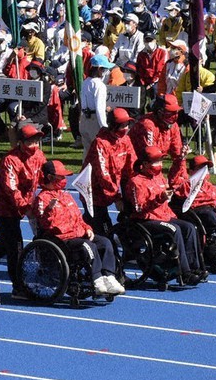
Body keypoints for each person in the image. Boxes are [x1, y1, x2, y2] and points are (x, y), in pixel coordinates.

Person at [34, 160, 125, 295]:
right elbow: (46, 225)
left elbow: (78, 218)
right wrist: (49, 210)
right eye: (61, 176)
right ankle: (97, 279)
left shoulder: (66, 196)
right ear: (50, 177)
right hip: (62, 239)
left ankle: (109, 277)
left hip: (78, 234)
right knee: (89, 246)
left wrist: (87, 228)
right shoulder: (42, 199)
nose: (64, 179)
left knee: (105, 242)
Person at [123, 146, 204, 286]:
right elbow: (139, 208)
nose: (160, 165)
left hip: (164, 215)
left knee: (190, 227)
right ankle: (184, 273)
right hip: (146, 220)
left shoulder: (158, 177)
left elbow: (174, 178)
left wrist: (180, 159)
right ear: (145, 164)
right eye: (156, 162)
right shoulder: (136, 182)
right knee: (175, 230)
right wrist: (160, 198)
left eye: (161, 161)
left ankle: (194, 267)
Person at [0, 124, 46, 298]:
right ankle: (18, 287)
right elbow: (11, 189)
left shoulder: (39, 155)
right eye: (30, 140)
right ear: (21, 142)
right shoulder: (10, 160)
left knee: (6, 244)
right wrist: (26, 208)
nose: (35, 143)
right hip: (2, 209)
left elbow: (44, 178)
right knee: (15, 246)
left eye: (37, 139)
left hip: (22, 206)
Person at [86, 108, 136, 236]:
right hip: (93, 191)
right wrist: (117, 198)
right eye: (123, 125)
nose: (126, 128)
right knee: (103, 229)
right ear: (114, 126)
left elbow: (132, 167)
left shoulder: (126, 140)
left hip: (112, 188)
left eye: (127, 124)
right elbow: (103, 175)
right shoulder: (100, 143)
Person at [129, 93, 189, 185]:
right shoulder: (147, 125)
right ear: (160, 112)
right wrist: (161, 184)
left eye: (176, 112)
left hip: (153, 165)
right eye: (171, 112)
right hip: (135, 168)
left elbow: (177, 155)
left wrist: (183, 179)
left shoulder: (173, 126)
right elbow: (150, 159)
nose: (175, 115)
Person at [79, 54, 115, 158]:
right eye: (106, 69)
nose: (107, 71)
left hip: (84, 119)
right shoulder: (100, 85)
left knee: (87, 152)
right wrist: (104, 126)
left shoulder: (85, 82)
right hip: (95, 121)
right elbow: (100, 108)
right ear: (99, 69)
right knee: (99, 153)